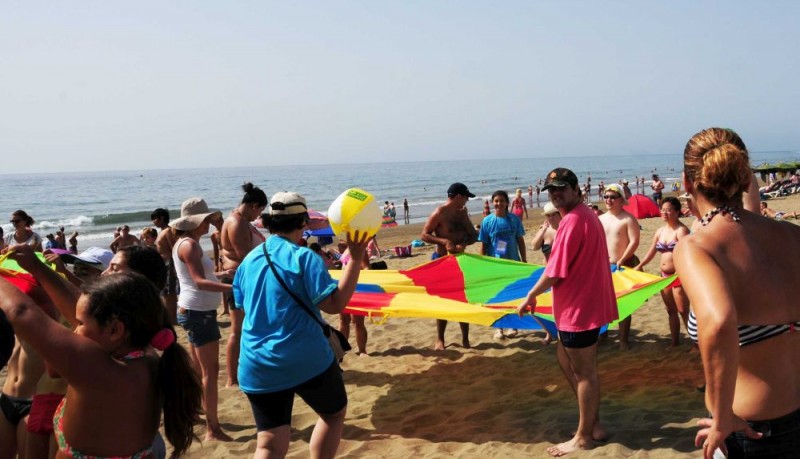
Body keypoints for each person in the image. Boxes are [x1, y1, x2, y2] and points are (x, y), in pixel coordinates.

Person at [675, 128, 800, 458]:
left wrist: (721, 416)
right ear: (746, 180)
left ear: (687, 184)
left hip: (753, 429)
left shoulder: (697, 246)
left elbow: (718, 322)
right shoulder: (791, 235)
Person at [0, 271, 202, 458]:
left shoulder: (95, 368)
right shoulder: (147, 357)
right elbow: (83, 311)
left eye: (79, 323)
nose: (74, 330)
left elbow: (21, 312)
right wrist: (38, 268)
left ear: (115, 330)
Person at [232, 191, 370, 458]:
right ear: (303, 222)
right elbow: (335, 304)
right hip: (305, 357)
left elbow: (243, 307)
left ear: (268, 222)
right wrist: (354, 258)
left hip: (256, 362)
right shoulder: (304, 258)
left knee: (268, 442)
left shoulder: (247, 261)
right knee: (333, 414)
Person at [517, 168, 618, 457]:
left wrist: (531, 295)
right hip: (582, 306)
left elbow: (554, 271)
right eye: (552, 190)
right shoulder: (585, 216)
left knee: (585, 373)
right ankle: (593, 424)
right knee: (565, 356)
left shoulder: (573, 221)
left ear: (576, 190)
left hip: (579, 309)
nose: (556, 193)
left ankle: (584, 437)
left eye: (562, 188)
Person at [171, 197, 234, 441]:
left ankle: (194, 413)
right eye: (206, 219)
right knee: (210, 372)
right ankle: (213, 428)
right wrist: (233, 287)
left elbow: (195, 276)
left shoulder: (185, 243)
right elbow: (198, 282)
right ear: (196, 222)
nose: (208, 223)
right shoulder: (190, 246)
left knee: (198, 370)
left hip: (192, 310)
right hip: (198, 312)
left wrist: (222, 274)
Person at [219, 182, 268, 387]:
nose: (258, 217)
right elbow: (245, 257)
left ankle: (248, 368)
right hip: (239, 280)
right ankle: (232, 378)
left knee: (249, 327)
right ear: (254, 205)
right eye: (259, 212)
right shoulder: (237, 222)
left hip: (242, 278)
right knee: (237, 330)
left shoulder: (237, 218)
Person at [421, 182, 479, 350]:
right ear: (458, 197)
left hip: (459, 261)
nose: (467, 201)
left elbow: (473, 235)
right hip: (441, 260)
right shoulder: (440, 213)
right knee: (442, 301)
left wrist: (463, 243)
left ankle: (465, 340)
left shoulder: (463, 213)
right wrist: (444, 241)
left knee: (463, 300)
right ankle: (440, 339)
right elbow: (424, 234)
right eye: (466, 198)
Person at [634, 197, 691, 347]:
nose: (664, 213)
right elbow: (652, 250)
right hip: (664, 277)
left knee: (683, 310)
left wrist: (680, 273)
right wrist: (640, 264)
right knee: (670, 310)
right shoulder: (660, 231)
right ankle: (674, 342)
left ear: (677, 212)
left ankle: (696, 344)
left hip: (679, 276)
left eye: (668, 210)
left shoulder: (682, 230)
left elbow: (688, 253)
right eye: (663, 210)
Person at [479, 190, 526, 340]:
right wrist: (482, 263)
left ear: (507, 202)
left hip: (513, 263)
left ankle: (514, 326)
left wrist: (524, 260)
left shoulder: (514, 220)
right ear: (493, 203)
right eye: (496, 201)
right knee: (498, 297)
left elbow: (520, 240)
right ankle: (499, 328)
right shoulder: (487, 221)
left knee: (514, 296)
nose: (498, 203)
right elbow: (484, 244)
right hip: (495, 266)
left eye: (501, 201)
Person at [598, 183, 640, 350]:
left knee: (623, 304)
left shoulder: (628, 219)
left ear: (621, 200)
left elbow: (635, 241)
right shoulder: (600, 219)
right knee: (601, 304)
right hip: (602, 267)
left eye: (612, 197)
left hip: (621, 267)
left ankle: (623, 339)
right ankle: (603, 335)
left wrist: (622, 259)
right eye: (606, 197)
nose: (608, 200)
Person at [152, 208, 179, 325]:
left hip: (170, 264)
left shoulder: (168, 231)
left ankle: (173, 319)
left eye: (155, 219)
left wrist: (176, 267)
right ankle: (171, 318)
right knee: (166, 293)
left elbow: (174, 249)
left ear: (161, 218)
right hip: (164, 265)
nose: (153, 222)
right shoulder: (162, 231)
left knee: (170, 293)